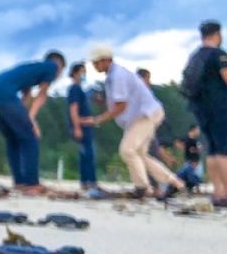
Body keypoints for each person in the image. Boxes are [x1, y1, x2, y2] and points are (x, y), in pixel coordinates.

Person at [85, 47, 184, 200]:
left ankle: (142, 187)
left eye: (96, 62)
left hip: (145, 114)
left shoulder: (117, 76)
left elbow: (121, 106)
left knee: (127, 150)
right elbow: (121, 102)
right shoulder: (114, 75)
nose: (94, 66)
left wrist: (98, 119)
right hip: (144, 114)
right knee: (140, 154)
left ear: (106, 60)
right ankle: (175, 183)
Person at [0, 52, 66, 194]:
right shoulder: (52, 66)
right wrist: (31, 122)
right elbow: (42, 95)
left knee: (13, 138)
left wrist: (27, 119)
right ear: (60, 66)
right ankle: (32, 184)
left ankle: (19, 182)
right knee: (30, 137)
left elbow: (26, 98)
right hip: (3, 95)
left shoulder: (31, 69)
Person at [181, 21, 227, 206]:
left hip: (200, 108)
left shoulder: (195, 56)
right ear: (217, 34)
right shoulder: (219, 54)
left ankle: (217, 191)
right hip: (219, 106)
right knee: (224, 149)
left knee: (210, 149)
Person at [65, 63, 97, 190]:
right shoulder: (74, 89)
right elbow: (74, 108)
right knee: (87, 155)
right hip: (82, 127)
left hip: (86, 126)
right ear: (75, 73)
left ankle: (86, 182)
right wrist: (77, 127)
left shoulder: (79, 89)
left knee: (86, 155)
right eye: (82, 72)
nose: (84, 75)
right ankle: (89, 182)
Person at [177, 126, 203, 192]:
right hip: (190, 161)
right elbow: (177, 142)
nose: (198, 132)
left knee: (196, 175)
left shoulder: (195, 140)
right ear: (193, 130)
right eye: (197, 130)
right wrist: (184, 148)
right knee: (189, 175)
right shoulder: (187, 139)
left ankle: (196, 189)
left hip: (196, 160)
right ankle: (186, 188)